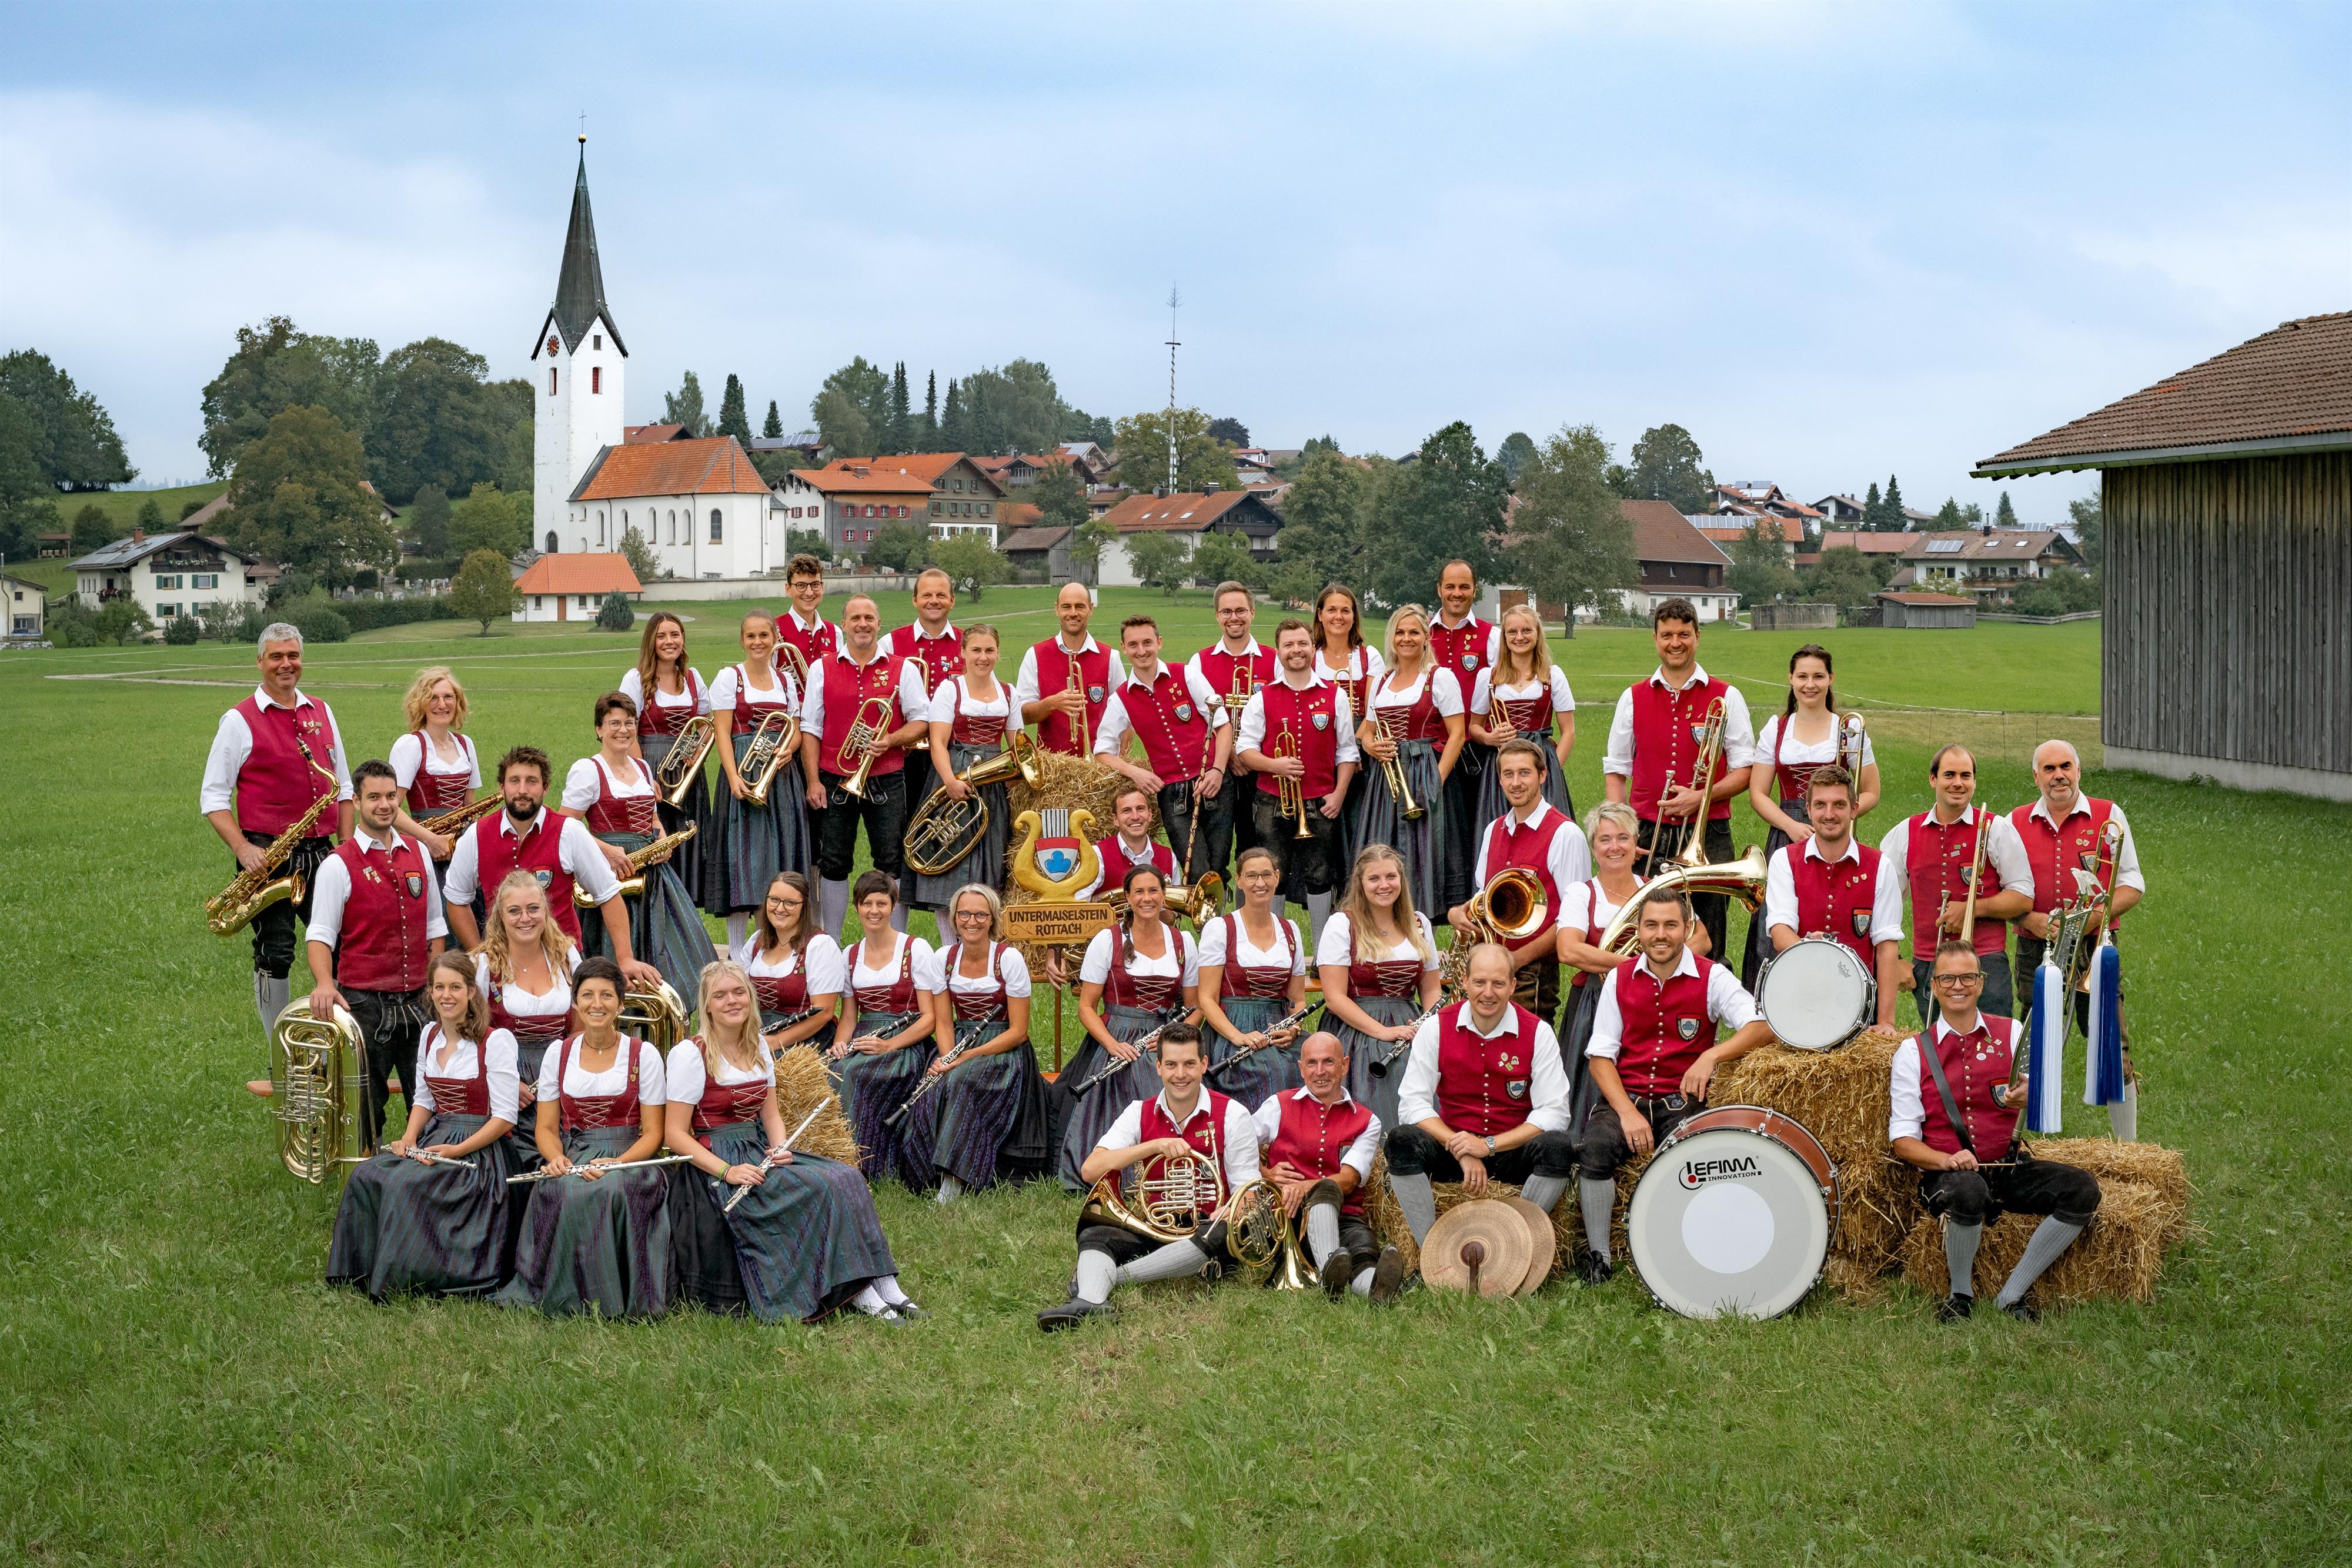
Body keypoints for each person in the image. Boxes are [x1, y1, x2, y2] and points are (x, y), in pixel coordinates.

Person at [664, 960, 915, 1322]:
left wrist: (780, 1146)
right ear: (706, 1005)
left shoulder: (759, 1047)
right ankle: (856, 1291)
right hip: (716, 1159)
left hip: (758, 1148)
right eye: (720, 996)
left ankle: (884, 1282)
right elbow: (675, 1135)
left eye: (738, 992)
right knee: (816, 1190)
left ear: (750, 997)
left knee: (847, 1177)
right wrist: (728, 1171)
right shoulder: (691, 1054)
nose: (731, 1001)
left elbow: (771, 1116)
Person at [1892, 940, 2103, 1322]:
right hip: (1948, 1176)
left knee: (2083, 1189)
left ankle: (2013, 1292)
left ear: (1982, 982)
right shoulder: (1911, 1052)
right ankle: (1961, 1294)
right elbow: (1903, 1140)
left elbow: (2039, 1099)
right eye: (1948, 978)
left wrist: (2030, 1097)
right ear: (1934, 986)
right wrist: (1947, 1159)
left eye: (1969, 976)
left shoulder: (2012, 1032)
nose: (1959, 985)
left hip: (2009, 1166)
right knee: (1970, 1190)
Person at [1578, 887, 1773, 1283]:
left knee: (1688, 1162)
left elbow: (1762, 1025)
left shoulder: (1712, 975)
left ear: (1687, 928)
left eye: (1670, 924)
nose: (1660, 934)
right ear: (1639, 930)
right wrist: (1628, 1112)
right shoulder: (1619, 977)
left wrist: (1712, 1056)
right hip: (1625, 1097)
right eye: (1651, 925)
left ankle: (1682, 1249)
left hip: (1681, 1100)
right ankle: (1600, 1256)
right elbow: (1600, 1057)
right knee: (1595, 1148)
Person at [1037, 1024, 1259, 1331]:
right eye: (1171, 1064)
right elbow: (1091, 1169)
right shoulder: (1138, 1112)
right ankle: (1090, 1301)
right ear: (1158, 1067)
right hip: (1157, 1229)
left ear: (1204, 1064)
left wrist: (1228, 1212)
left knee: (1220, 1233)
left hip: (1207, 1228)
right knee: (1095, 1234)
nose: (1180, 1074)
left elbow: (1249, 1190)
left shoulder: (1233, 1115)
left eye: (1189, 1064)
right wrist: (1153, 1146)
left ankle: (1113, 1276)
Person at [326, 950, 519, 1300]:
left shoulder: (495, 1042)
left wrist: (457, 1149)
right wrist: (408, 1137)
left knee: (404, 1185)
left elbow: (505, 1117)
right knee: (367, 1175)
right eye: (439, 987)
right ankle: (359, 1271)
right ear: (429, 991)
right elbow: (424, 1101)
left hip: (480, 1152)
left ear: (471, 992)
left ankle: (405, 1276)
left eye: (456, 987)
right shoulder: (429, 1035)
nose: (447, 995)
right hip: (435, 1137)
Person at [200, 621, 354, 1048]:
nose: (286, 664)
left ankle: (343, 1040)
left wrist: (347, 843)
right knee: (277, 950)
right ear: (260, 662)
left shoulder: (321, 710)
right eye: (276, 657)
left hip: (324, 850)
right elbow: (213, 796)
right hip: (268, 854)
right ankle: (279, 1048)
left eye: (293, 656)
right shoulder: (238, 720)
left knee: (344, 944)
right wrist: (243, 848)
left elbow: (344, 785)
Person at [495, 957, 674, 1318]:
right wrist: (555, 1158)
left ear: (621, 1004)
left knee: (608, 1190)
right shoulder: (558, 1054)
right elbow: (546, 1128)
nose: (597, 1004)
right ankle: (567, 1294)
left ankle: (605, 1298)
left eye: (607, 995)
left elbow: (654, 1133)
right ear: (574, 1002)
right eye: (588, 995)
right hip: (575, 1153)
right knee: (558, 1187)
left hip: (630, 1158)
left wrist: (617, 1163)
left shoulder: (644, 1055)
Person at [1383, 944, 1578, 1258]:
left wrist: (1488, 1145)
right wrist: (1461, 1147)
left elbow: (1555, 1112)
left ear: (1513, 986)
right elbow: (1412, 1104)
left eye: (1499, 983)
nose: (1488, 993)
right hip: (1453, 1151)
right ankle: (1432, 1253)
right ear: (1464, 981)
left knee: (1558, 1146)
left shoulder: (1538, 1032)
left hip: (1511, 1151)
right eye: (1480, 982)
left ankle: (1518, 1248)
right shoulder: (1436, 1027)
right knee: (1401, 1140)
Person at [303, 758, 447, 1150]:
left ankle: (427, 1176)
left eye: (389, 796)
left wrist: (436, 985)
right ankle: (367, 1179)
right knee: (366, 1102)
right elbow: (320, 934)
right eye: (373, 797)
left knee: (432, 1093)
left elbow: (435, 927)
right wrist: (322, 982)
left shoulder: (417, 851)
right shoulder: (338, 864)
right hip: (364, 1002)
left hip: (420, 998)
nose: (384, 805)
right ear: (357, 800)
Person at [1602, 597, 1756, 958]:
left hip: (1709, 832)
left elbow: (1745, 770)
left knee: (1709, 938)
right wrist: (1621, 832)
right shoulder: (1632, 697)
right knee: (1647, 936)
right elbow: (1616, 769)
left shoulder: (1727, 696)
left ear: (1697, 637)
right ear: (1655, 639)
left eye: (1684, 634)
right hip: (1647, 832)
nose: (1676, 643)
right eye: (1667, 635)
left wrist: (1701, 797)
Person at [441, 745, 659, 994]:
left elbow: (608, 894)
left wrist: (626, 959)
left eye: (532, 782)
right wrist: (482, 954)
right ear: (502, 787)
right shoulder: (476, 836)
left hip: (562, 960)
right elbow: (457, 899)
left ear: (545, 787)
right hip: (500, 964)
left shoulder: (570, 832)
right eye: (515, 781)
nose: (522, 790)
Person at [1054, 864, 1202, 1189]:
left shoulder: (1184, 942)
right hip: (1117, 1036)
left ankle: (1172, 1172)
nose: (1147, 898)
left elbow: (1195, 1008)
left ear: (1165, 896)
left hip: (1166, 1036)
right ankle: (1123, 1176)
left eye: (1154, 891)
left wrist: (1174, 1039)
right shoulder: (1107, 941)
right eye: (1139, 892)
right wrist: (1112, 1045)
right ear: (1127, 897)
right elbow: (1087, 1007)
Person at [1740, 644, 1880, 987]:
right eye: (1802, 676)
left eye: (1818, 676)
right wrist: (1791, 826)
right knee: (1779, 921)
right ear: (1790, 679)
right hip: (1785, 832)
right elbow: (1758, 792)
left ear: (1831, 679)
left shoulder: (1849, 730)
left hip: (1835, 835)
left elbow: (1872, 791)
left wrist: (1837, 817)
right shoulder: (1776, 728)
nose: (1810, 684)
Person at [560, 692, 717, 993]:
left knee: (681, 949)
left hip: (652, 871)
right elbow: (566, 825)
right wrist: (605, 851)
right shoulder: (588, 770)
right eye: (614, 723)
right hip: (611, 873)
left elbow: (653, 817)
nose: (623, 730)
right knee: (614, 951)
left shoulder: (643, 767)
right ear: (599, 729)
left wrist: (662, 838)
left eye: (629, 723)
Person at [899, 884, 1047, 1199]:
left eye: (981, 915)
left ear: (992, 919)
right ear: (954, 918)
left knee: (963, 1082)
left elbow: (1018, 1031)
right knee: (936, 1085)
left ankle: (955, 1179)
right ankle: (925, 1173)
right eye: (964, 914)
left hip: (1003, 1048)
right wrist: (947, 1057)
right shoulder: (943, 959)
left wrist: (966, 1058)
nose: (972, 921)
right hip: (960, 1041)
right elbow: (943, 1021)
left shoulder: (1009, 959)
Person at [799, 595, 932, 940]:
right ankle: (832, 939)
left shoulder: (904, 668)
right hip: (833, 776)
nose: (862, 624)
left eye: (869, 618)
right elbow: (811, 728)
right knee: (834, 860)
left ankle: (897, 941)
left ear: (879, 623)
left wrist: (891, 738)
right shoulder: (822, 667)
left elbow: (922, 720)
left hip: (887, 776)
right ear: (843, 624)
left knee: (891, 859)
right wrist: (813, 781)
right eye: (855, 618)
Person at [1880, 745, 2032, 1023]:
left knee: (1992, 1052)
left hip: (1985, 961)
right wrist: (1896, 961)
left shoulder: (1996, 829)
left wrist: (1972, 909)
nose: (1958, 783)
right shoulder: (1904, 834)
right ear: (1933, 779)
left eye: (1966, 775)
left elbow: (2023, 897)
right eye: (1949, 775)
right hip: (1929, 962)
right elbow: (1881, 903)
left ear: (1974, 781)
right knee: (1939, 1056)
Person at [1235, 617, 1361, 943]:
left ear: (1312, 648)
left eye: (1302, 644)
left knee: (1320, 874)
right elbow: (1245, 749)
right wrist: (1274, 763)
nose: (1296, 651)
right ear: (1278, 652)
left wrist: (1338, 795)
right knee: (1268, 874)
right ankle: (1275, 947)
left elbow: (1348, 752)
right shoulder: (1262, 698)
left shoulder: (1335, 696)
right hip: (1270, 801)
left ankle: (1322, 952)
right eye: (1289, 645)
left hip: (1321, 802)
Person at [1254, 1031, 1406, 1300]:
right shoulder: (1278, 1105)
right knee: (1343, 1245)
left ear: (1345, 1065)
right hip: (1288, 1217)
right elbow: (1235, 1145)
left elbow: (1348, 1180)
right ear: (1301, 1069)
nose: (1320, 1072)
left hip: (1345, 1216)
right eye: (1312, 1063)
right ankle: (1333, 1274)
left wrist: (1303, 1186)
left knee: (1362, 1248)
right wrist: (1265, 1173)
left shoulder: (1367, 1121)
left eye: (1329, 1062)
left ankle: (1374, 1287)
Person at [1451, 740, 1593, 1022]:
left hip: (1532, 972)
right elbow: (1484, 895)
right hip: (1490, 967)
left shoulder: (1565, 834)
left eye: (1525, 773)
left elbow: (1572, 920)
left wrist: (1515, 961)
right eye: (1508, 774)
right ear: (1500, 779)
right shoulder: (1494, 829)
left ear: (1542, 775)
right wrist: (1458, 912)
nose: (1516, 783)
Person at [1762, 765, 1903, 1032]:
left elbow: (1886, 946)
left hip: (1858, 1006)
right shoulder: (1784, 859)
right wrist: (1814, 954)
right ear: (1808, 809)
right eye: (1821, 805)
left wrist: (1885, 1022)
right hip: (1798, 998)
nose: (1829, 814)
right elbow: (1781, 932)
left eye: (1839, 805)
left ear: (1854, 809)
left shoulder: (1880, 866)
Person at [1095, 612, 1231, 880]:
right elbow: (1102, 751)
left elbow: (1222, 725)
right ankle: (1203, 922)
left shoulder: (1187, 674)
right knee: (1196, 870)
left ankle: (1222, 922)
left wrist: (1217, 770)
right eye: (1133, 645)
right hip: (1172, 793)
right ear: (1124, 648)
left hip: (1214, 783)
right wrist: (1136, 773)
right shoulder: (1121, 698)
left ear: (1159, 642)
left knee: (1219, 866)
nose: (1141, 651)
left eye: (1147, 643)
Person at [706, 610, 813, 950]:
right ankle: (738, 951)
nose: (757, 642)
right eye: (751, 636)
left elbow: (795, 728)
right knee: (742, 860)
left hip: (780, 779)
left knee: (777, 857)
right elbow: (722, 731)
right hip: (743, 773)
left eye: (764, 636)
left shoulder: (785, 680)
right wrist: (733, 776)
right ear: (742, 640)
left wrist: (789, 751)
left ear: (775, 639)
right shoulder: (729, 677)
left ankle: (776, 945)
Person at [1316, 844, 1441, 1131]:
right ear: (1361, 884)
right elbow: (1334, 998)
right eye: (1374, 879)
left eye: (1391, 877)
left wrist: (1430, 1024)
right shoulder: (1341, 925)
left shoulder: (1419, 923)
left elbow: (1431, 990)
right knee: (1387, 1067)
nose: (1384, 885)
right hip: (1357, 1025)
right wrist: (1383, 1032)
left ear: (1401, 880)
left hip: (1410, 1020)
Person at [1355, 604, 1465, 919]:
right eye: (1400, 633)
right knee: (1382, 847)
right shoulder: (1381, 681)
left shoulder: (1439, 677)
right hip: (1385, 779)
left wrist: (1436, 782)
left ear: (1426, 637)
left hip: (1422, 773)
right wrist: (1371, 746)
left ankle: (1422, 927)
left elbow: (1457, 734)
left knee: (1421, 851)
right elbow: (1367, 730)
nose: (1407, 639)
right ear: (1392, 638)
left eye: (1414, 632)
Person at [826, 871, 937, 1182]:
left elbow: (929, 1018)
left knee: (854, 1075)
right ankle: (837, 1161)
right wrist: (840, 1044)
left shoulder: (916, 949)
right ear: (856, 907)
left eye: (882, 904)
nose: (874, 911)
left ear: (893, 906)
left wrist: (889, 1045)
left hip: (906, 1042)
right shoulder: (849, 954)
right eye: (867, 904)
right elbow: (849, 1017)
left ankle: (865, 1167)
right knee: (834, 1071)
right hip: (865, 1037)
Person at [1555, 801, 1648, 1127]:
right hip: (1594, 1001)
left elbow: (1701, 939)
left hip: (1649, 1000)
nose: (1615, 847)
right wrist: (1634, 965)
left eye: (1623, 838)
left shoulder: (1655, 889)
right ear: (1593, 847)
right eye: (1605, 840)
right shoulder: (1581, 893)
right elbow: (1568, 950)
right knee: (1587, 1083)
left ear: (1636, 843)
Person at [472, 869, 582, 1143]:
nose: (525, 918)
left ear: (545, 911)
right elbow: (473, 1034)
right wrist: (506, 1081)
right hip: (505, 1078)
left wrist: (562, 1076)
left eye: (534, 908)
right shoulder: (485, 964)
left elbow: (580, 1030)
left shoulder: (566, 956)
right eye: (514, 911)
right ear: (501, 916)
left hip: (562, 1074)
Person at [1196, 846, 1310, 1107]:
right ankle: (1266, 1143)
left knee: (1320, 1061)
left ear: (1278, 877)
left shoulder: (1290, 930)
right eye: (1251, 876)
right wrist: (1239, 1037)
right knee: (1274, 1070)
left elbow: (1298, 999)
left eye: (1267, 875)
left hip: (1279, 1029)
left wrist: (1293, 1028)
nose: (1260, 883)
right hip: (1231, 1030)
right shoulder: (1220, 928)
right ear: (1239, 881)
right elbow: (1207, 998)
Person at [916, 622, 1017, 912]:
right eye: (975, 650)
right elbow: (938, 742)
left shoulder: (1009, 693)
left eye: (989, 650)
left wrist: (1014, 778)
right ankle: (950, 944)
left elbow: (1017, 745)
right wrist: (949, 781)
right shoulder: (950, 689)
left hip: (994, 780)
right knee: (950, 853)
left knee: (990, 854)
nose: (983, 657)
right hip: (956, 773)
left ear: (998, 653)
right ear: (962, 653)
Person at [1183, 581, 1275, 880]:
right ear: (1217, 616)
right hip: (1217, 769)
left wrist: (1248, 754)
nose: (1233, 618)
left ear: (1253, 612)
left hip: (1259, 768)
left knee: (1255, 847)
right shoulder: (1199, 661)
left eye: (1240, 611)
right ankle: (1217, 919)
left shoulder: (1274, 659)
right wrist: (1230, 753)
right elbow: (1198, 721)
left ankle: (1249, 916)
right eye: (1226, 611)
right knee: (1217, 849)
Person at [884, 567, 964, 908]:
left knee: (946, 839)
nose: (934, 601)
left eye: (941, 595)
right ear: (915, 600)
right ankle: (898, 931)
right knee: (901, 841)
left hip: (953, 754)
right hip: (906, 757)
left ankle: (948, 931)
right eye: (927, 595)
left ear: (952, 601)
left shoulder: (967, 642)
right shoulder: (891, 642)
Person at [619, 611, 711, 900]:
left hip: (687, 774)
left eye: (675, 635)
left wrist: (698, 748)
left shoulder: (694, 678)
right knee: (655, 844)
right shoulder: (635, 679)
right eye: (661, 636)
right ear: (651, 642)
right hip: (652, 766)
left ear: (683, 639)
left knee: (687, 845)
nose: (669, 641)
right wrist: (644, 777)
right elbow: (628, 731)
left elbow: (708, 724)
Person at [1428, 561, 1502, 913]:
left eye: (1464, 587)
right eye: (1450, 587)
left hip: (1477, 755)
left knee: (1480, 835)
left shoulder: (1492, 636)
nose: (1457, 594)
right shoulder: (1420, 632)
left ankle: (1482, 908)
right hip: (1432, 754)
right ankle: (1441, 910)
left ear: (1475, 589)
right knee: (1441, 839)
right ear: (1439, 589)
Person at [1469, 603, 1576, 831]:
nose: (1520, 637)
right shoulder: (1488, 677)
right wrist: (1490, 738)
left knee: (1546, 833)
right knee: (1501, 831)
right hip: (1502, 766)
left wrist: (1549, 771)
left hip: (1542, 764)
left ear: (1537, 634)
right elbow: (1474, 727)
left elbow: (1568, 732)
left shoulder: (1553, 675)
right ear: (1505, 637)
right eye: (1513, 632)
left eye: (1527, 630)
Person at [1312, 583, 1384, 872]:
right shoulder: (1311, 656)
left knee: (1358, 822)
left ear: (1354, 616)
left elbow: (1375, 708)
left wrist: (1351, 749)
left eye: (1345, 610)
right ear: (1319, 615)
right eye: (1331, 610)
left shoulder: (1370, 657)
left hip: (1362, 743)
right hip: (1319, 748)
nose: (1338, 616)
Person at [387, 664, 480, 875]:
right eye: (433, 698)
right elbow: (391, 807)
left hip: (462, 846)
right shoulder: (410, 745)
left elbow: (470, 808)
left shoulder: (466, 744)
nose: (442, 704)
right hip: (424, 844)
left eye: (448, 697)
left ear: (458, 702)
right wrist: (431, 840)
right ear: (421, 704)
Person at [1015, 580, 1125, 757]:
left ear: (1091, 609)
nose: (1073, 613)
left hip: (1100, 767)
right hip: (1052, 767)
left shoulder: (1111, 657)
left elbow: (1126, 718)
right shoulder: (1035, 654)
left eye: (1080, 607)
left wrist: (1121, 764)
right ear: (1057, 609)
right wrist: (1052, 704)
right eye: (1067, 607)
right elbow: (1023, 716)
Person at [737, 871, 844, 1052]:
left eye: (790, 903)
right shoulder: (757, 942)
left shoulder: (819, 946)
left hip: (805, 1039)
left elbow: (823, 1013)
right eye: (774, 900)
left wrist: (775, 1042)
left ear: (804, 907)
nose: (780, 909)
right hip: (759, 1034)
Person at [1077, 784, 1177, 898]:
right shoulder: (1097, 856)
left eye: (1140, 809)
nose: (1135, 816)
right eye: (1126, 811)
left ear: (1150, 815)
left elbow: (1171, 915)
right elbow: (1078, 908)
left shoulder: (1169, 857)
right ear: (1116, 820)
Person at [773, 552, 840, 684]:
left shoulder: (835, 633)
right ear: (788, 589)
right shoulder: (773, 630)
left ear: (823, 587)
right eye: (801, 586)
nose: (809, 593)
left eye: (815, 585)